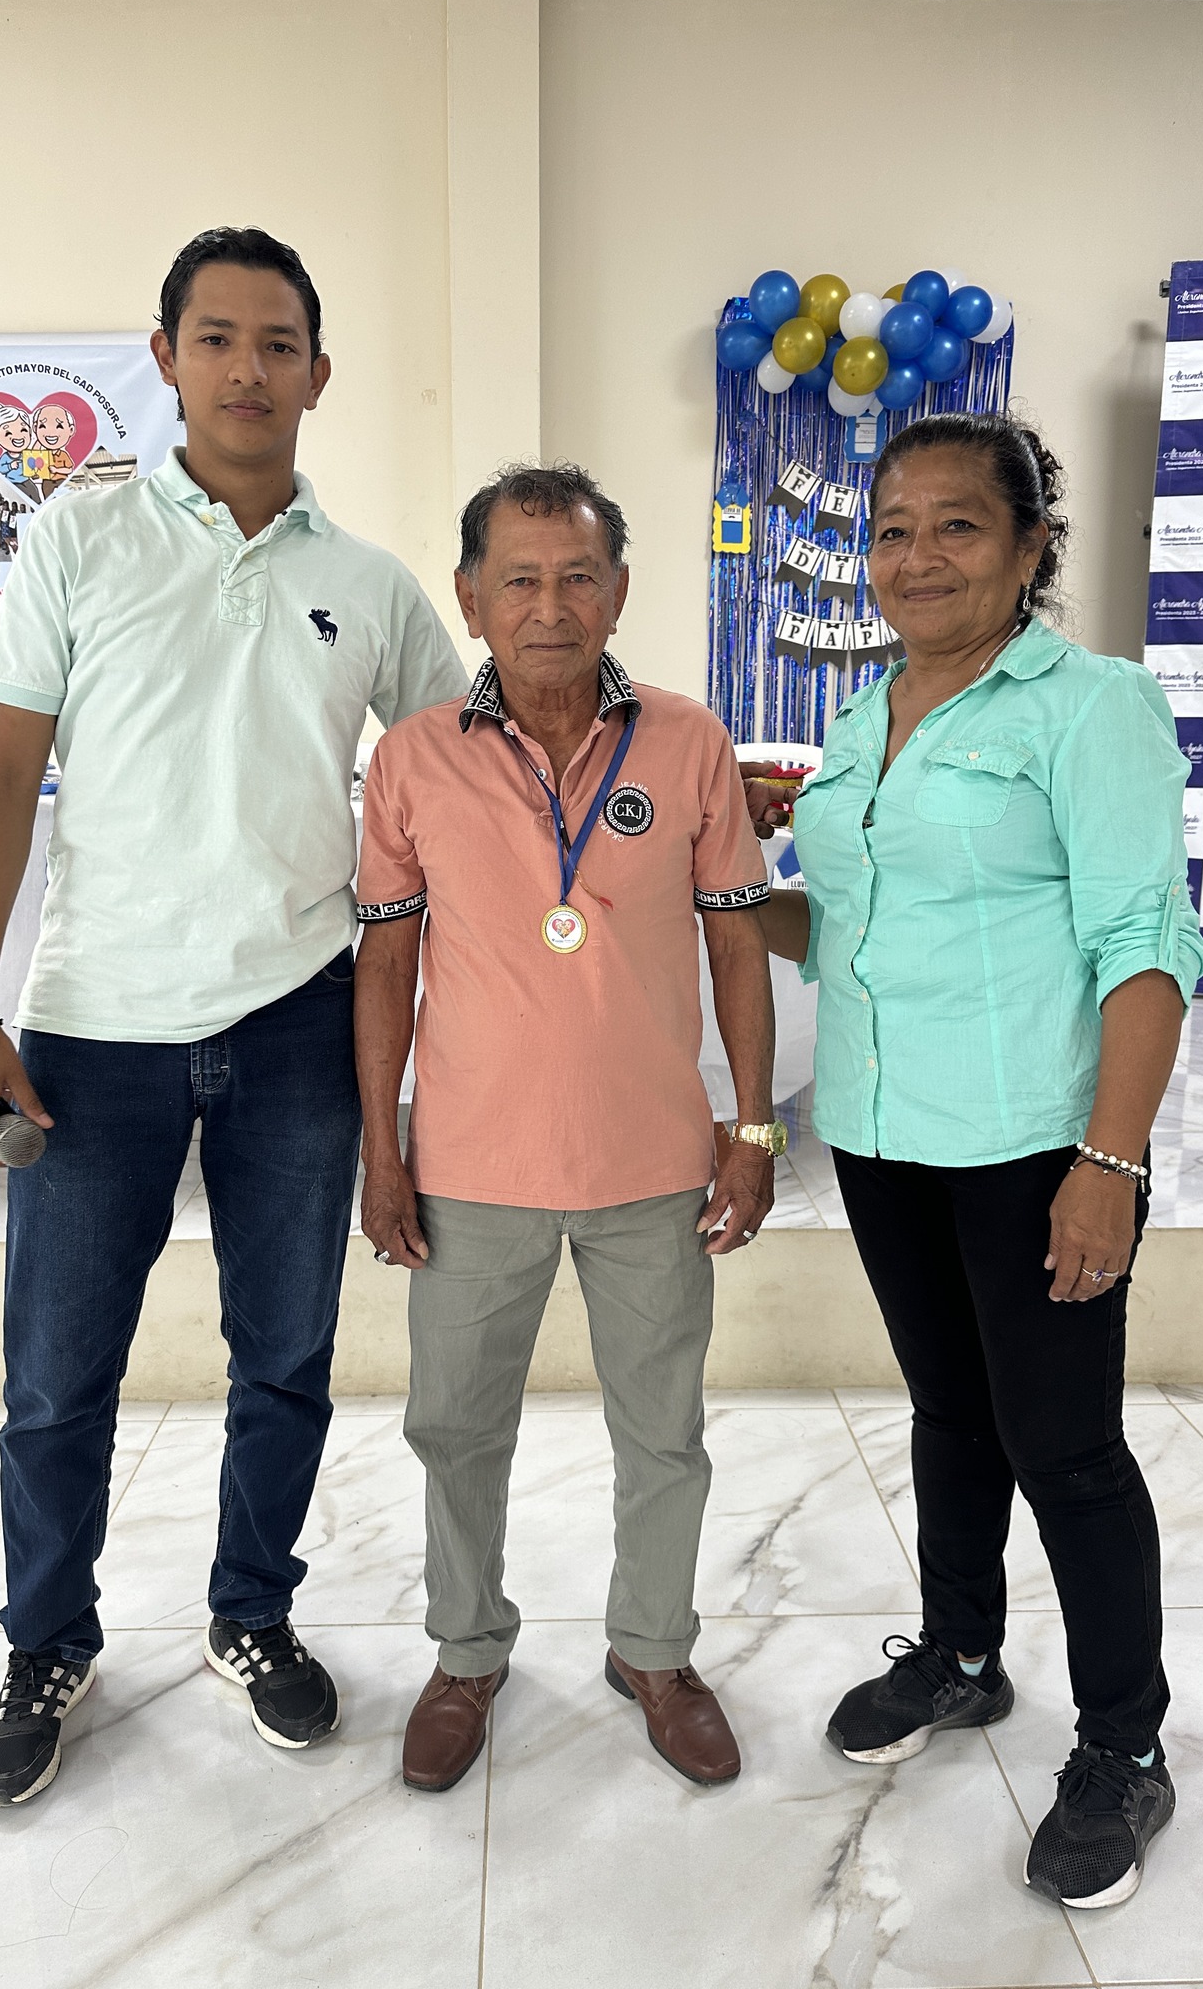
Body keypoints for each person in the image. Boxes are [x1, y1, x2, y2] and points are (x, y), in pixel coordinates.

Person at [0, 225, 467, 1807]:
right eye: (217, 338)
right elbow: (3, 777)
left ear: (319, 373)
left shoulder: (367, 586)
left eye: (278, 343)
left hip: (298, 1024)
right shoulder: (77, 541)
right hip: (92, 1027)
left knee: (285, 1355)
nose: (249, 368)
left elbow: (470, 763)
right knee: (56, 1375)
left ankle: (252, 1613)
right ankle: (46, 1642)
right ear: (164, 359)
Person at [744, 413, 1203, 1910]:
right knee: (950, 1413)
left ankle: (1125, 1746)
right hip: (884, 1133)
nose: (918, 556)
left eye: (958, 525)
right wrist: (722, 886)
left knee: (1064, 1449)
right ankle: (959, 1654)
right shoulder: (862, 718)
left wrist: (1109, 1161)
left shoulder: (1091, 708)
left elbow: (1146, 946)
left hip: (1034, 1148)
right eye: (892, 529)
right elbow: (842, 928)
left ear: (1028, 549)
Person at [354, 463, 782, 1794]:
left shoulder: (689, 743)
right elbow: (385, 965)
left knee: (664, 1433)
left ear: (620, 591)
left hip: (652, 1166)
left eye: (579, 577)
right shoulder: (413, 757)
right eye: (521, 580)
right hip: (471, 1170)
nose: (551, 607)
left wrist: (754, 1129)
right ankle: (466, 1654)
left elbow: (739, 949)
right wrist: (382, 1150)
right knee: (453, 1429)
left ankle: (655, 1652)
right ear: (471, 597)